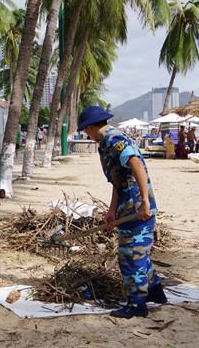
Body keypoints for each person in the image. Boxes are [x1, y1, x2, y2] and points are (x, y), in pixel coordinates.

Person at [77, 106, 167, 319]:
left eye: (84, 130)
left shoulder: (114, 138)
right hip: (126, 207)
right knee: (139, 253)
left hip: (137, 209)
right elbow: (118, 180)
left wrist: (144, 201)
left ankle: (136, 306)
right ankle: (155, 292)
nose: (85, 135)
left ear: (90, 127)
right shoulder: (104, 144)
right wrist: (111, 211)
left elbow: (136, 163)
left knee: (130, 257)